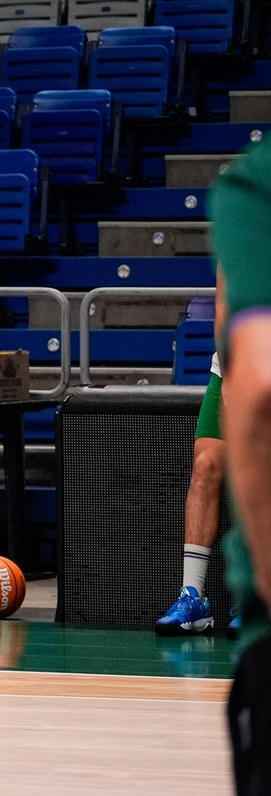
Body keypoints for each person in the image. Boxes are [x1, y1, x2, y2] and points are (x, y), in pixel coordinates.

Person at [208, 141, 271, 794]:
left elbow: (258, 387)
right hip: (227, 364)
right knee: (205, 465)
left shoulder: (256, 181)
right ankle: (194, 590)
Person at [156, 341, 233, 635]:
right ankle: (193, 597)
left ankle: (257, 599)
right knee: (204, 466)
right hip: (234, 368)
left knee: (257, 467)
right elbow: (225, 309)